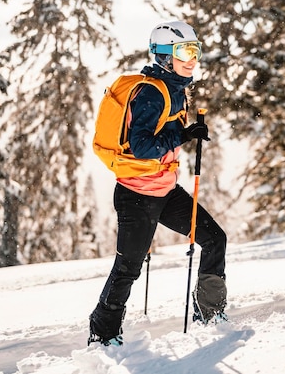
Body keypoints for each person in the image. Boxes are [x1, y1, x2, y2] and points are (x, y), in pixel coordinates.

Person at [88, 21, 228, 346]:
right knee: (127, 268)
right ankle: (103, 334)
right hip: (136, 195)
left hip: (164, 191)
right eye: (184, 52)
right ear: (165, 55)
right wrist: (182, 134)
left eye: (196, 51)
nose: (192, 58)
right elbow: (141, 146)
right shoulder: (152, 92)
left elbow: (162, 135)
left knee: (214, 239)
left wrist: (186, 131)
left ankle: (209, 314)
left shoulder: (175, 89)